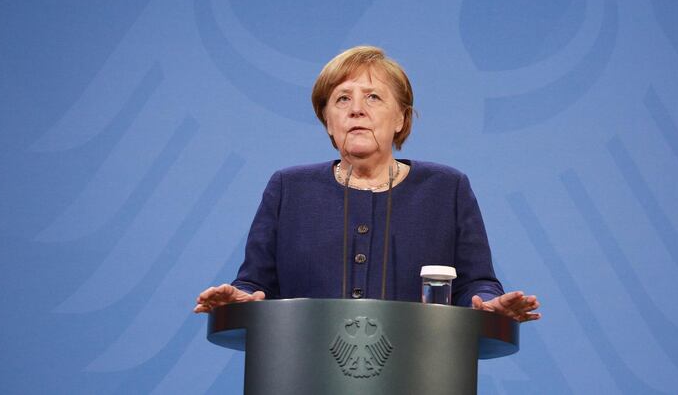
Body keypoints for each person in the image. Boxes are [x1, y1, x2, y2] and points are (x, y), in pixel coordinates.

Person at [194, 46, 541, 322]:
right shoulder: (289, 189)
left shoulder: (446, 189)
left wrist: (489, 303)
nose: (356, 110)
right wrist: (239, 297)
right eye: (342, 99)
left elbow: (476, 282)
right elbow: (256, 283)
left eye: (373, 97)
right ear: (328, 121)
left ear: (401, 117)